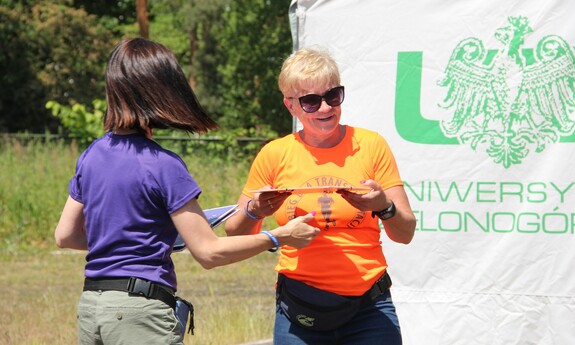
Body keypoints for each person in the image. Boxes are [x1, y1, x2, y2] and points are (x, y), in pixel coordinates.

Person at [54, 38, 320, 345]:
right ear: (163, 90)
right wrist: (278, 237)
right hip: (139, 314)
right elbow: (209, 253)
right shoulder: (163, 165)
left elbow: (65, 235)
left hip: (92, 308)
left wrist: (131, 238)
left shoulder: (91, 155)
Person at [224, 47, 416, 345]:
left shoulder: (371, 145)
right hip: (300, 309)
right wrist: (255, 210)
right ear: (291, 106)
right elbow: (234, 234)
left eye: (333, 96)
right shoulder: (275, 154)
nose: (325, 108)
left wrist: (384, 206)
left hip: (369, 306)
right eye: (311, 101)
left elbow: (406, 233)